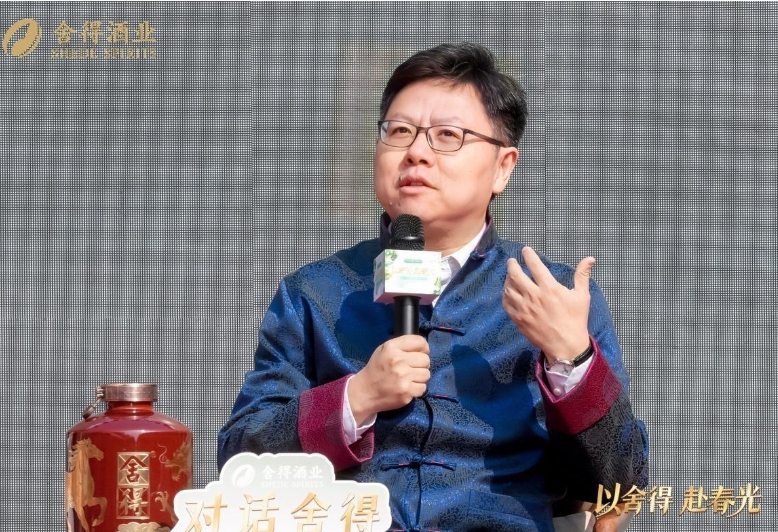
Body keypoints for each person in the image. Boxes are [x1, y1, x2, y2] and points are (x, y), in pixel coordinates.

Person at [218, 43, 648, 532]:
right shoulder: (314, 293)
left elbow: (621, 484)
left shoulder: (553, 294)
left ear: (503, 167)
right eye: (399, 131)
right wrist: (355, 398)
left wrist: (572, 359)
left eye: (448, 135)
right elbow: (240, 457)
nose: (416, 152)